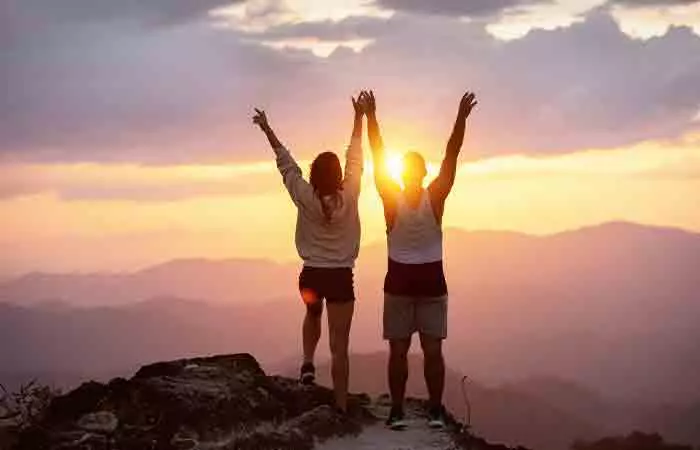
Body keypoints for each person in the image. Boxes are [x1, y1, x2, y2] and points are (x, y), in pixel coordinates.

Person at [364, 90, 477, 430]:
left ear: (403, 174)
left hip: (400, 286)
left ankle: (400, 411)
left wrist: (372, 118)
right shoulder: (434, 196)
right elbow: (451, 155)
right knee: (431, 352)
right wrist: (460, 118)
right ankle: (433, 410)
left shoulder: (391, 197)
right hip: (428, 287)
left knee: (402, 352)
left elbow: (378, 154)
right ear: (423, 173)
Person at [252, 94, 367, 413]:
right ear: (338, 175)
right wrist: (360, 119)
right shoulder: (351, 193)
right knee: (339, 346)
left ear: (315, 174)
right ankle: (341, 408)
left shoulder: (304, 195)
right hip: (342, 276)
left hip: (311, 275)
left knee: (312, 314)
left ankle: (306, 363)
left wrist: (267, 129)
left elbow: (286, 165)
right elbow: (356, 157)